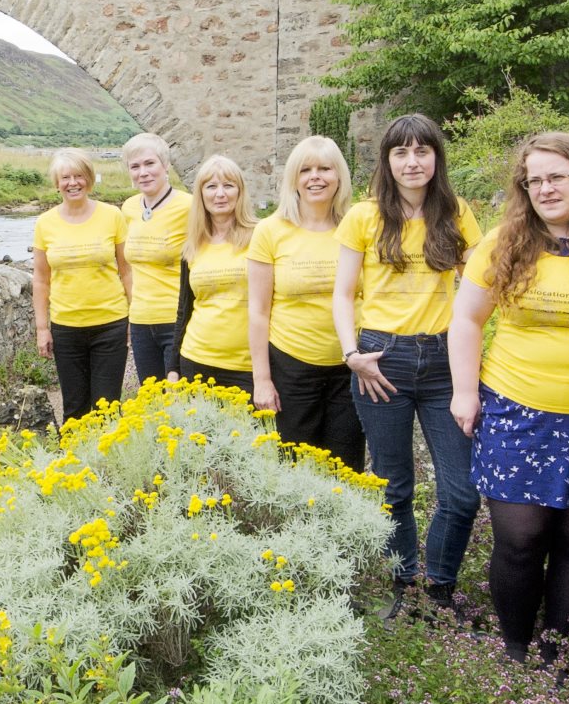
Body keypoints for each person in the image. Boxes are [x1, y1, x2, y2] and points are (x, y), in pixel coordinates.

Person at [447, 132, 569, 662]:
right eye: (535, 180)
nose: (546, 188)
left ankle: (558, 659)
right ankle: (514, 653)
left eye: (558, 176)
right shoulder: (505, 242)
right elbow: (465, 319)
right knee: (520, 537)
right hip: (515, 408)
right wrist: (465, 392)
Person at [333, 113, 484, 612]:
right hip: (381, 360)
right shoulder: (364, 216)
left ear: (436, 157)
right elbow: (342, 294)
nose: (412, 161)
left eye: (422, 151)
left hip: (444, 360)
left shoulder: (457, 213)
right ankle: (403, 586)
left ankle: (439, 586)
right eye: (401, 152)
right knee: (394, 486)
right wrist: (352, 354)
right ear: (387, 161)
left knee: (462, 493)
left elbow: (482, 286)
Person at [248, 135, 365, 470]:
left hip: (349, 367)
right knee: (294, 465)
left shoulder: (356, 226)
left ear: (339, 176)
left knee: (346, 467)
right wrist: (262, 379)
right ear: (293, 179)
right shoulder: (271, 231)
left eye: (325, 168)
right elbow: (257, 311)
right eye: (306, 170)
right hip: (291, 365)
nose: (316, 177)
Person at [32, 148, 132, 423]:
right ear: (57, 183)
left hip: (110, 324)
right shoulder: (45, 223)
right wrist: (42, 329)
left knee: (107, 408)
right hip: (67, 328)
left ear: (89, 179)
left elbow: (127, 271)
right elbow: (41, 280)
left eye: (78, 176)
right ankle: (73, 464)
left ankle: (109, 465)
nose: (72, 183)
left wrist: (134, 319)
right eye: (66, 177)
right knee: (74, 409)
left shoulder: (113, 216)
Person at [165, 155, 258, 392]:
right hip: (196, 360)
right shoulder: (192, 246)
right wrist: (173, 366)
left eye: (228, 185)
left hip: (247, 367)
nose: (220, 194)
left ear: (240, 192)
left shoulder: (260, 238)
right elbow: (184, 309)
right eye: (211, 186)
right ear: (201, 194)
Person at [120, 133, 194, 387]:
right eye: (135, 166)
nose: (143, 172)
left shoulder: (190, 207)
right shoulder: (129, 208)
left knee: (182, 402)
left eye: (150, 163)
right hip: (141, 322)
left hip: (177, 321)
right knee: (152, 401)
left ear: (165, 166)